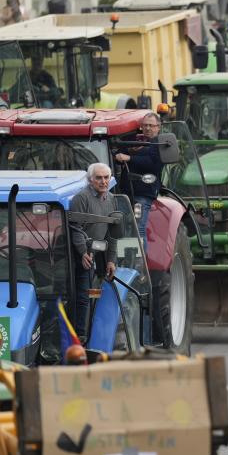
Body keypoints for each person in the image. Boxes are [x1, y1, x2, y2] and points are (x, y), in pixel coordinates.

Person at [70, 163, 117, 341]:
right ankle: (81, 338)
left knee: (96, 294)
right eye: (99, 178)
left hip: (99, 255)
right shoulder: (81, 198)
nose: (103, 181)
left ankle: (94, 333)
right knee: (84, 297)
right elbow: (76, 229)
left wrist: (111, 260)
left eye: (106, 177)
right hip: (82, 256)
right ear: (90, 180)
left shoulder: (111, 199)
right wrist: (83, 252)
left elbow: (113, 233)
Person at [114, 112, 164, 251]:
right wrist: (127, 151)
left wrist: (130, 158)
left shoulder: (160, 143)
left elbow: (154, 164)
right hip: (125, 192)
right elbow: (117, 154)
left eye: (151, 125)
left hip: (143, 194)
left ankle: (140, 265)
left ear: (158, 127)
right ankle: (125, 261)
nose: (147, 128)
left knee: (138, 228)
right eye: (145, 125)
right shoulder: (134, 141)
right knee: (123, 230)